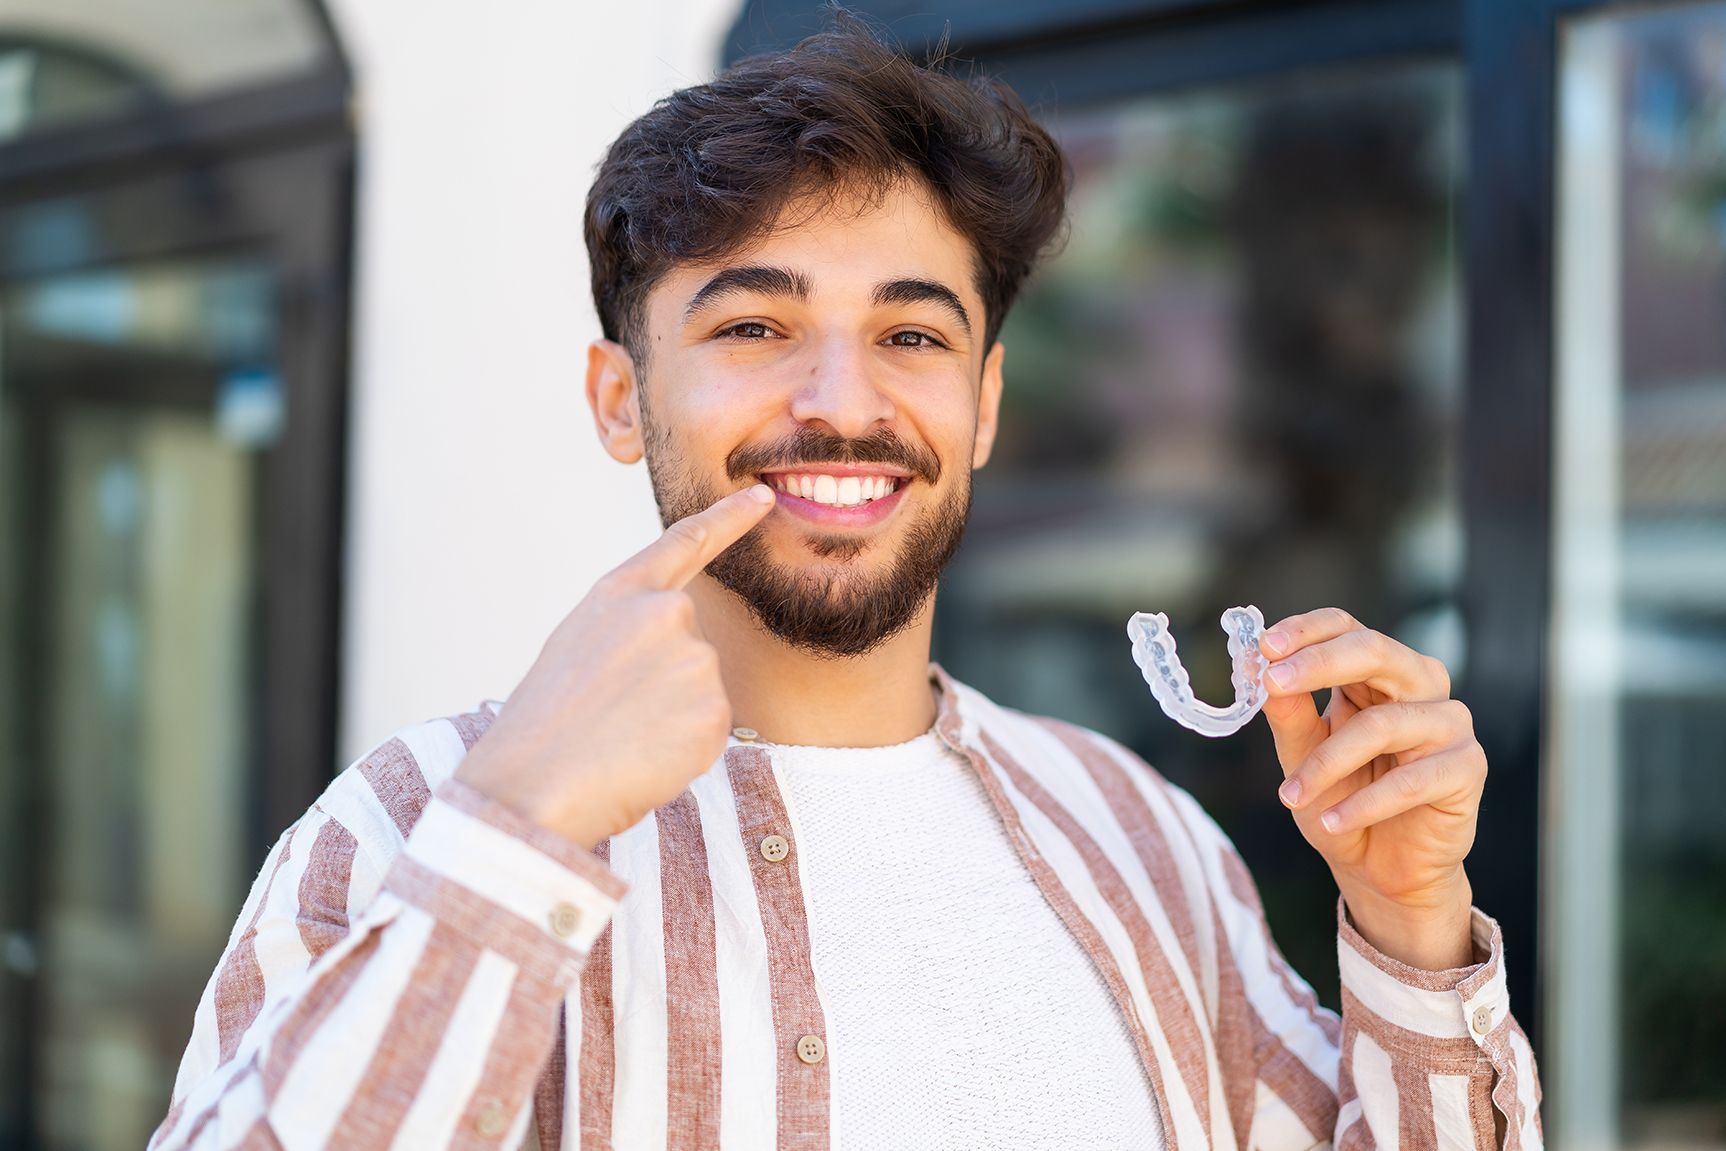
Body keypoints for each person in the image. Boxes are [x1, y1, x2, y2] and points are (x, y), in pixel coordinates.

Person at [149, 14, 1542, 1150]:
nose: (841, 401)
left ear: (983, 405)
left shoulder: (1140, 836)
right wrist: (515, 834)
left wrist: (1409, 926)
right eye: (754, 323)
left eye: (911, 335)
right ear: (620, 400)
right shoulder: (414, 821)